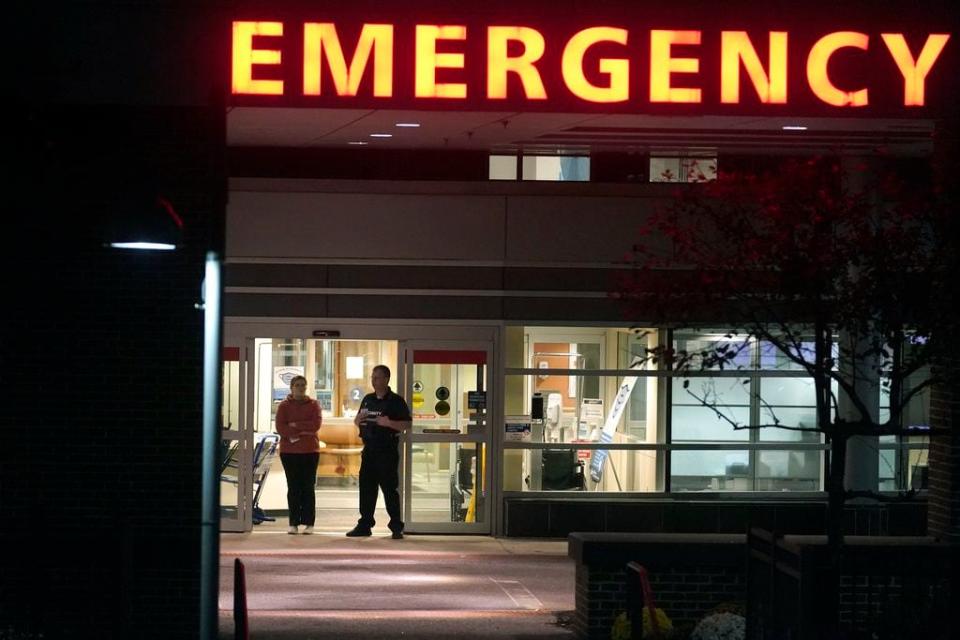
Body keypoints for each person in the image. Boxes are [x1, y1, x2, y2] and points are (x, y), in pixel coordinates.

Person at [347, 365, 411, 539]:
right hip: (369, 451)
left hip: (387, 451)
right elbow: (358, 421)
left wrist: (389, 423)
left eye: (377, 377)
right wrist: (357, 420)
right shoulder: (368, 399)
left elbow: (406, 424)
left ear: (386, 379)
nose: (374, 381)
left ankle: (396, 526)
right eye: (372, 377)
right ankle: (365, 524)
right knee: (367, 489)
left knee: (389, 489)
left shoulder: (396, 401)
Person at [275, 375, 322, 534]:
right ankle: (293, 523)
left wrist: (295, 425)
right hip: (289, 452)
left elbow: (315, 425)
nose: (301, 388)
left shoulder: (314, 405)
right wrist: (303, 429)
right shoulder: (283, 406)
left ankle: (309, 524)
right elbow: (281, 428)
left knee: (308, 487)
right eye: (297, 385)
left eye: (303, 385)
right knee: (293, 487)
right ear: (292, 388)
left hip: (310, 451)